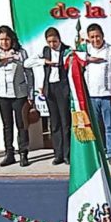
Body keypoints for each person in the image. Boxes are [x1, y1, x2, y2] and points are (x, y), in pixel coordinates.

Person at [0, 25, 34, 167]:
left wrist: (31, 93)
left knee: (21, 124)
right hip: (2, 94)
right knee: (7, 125)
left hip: (19, 94)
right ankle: (9, 153)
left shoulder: (20, 52)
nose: (4, 42)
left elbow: (29, 73)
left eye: (7, 39)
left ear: (12, 40)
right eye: (1, 39)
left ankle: (23, 153)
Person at [25, 27, 71, 165]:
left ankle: (67, 154)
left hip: (63, 89)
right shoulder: (45, 51)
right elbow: (27, 63)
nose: (52, 44)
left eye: (54, 41)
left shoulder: (67, 50)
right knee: (54, 123)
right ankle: (58, 154)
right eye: (49, 42)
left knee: (65, 122)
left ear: (59, 39)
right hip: (50, 89)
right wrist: (44, 62)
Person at [84, 24, 111, 166]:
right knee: (94, 128)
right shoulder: (85, 52)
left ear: (103, 36)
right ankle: (98, 153)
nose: (95, 40)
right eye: (92, 37)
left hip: (107, 95)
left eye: (98, 36)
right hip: (91, 96)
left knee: (109, 127)